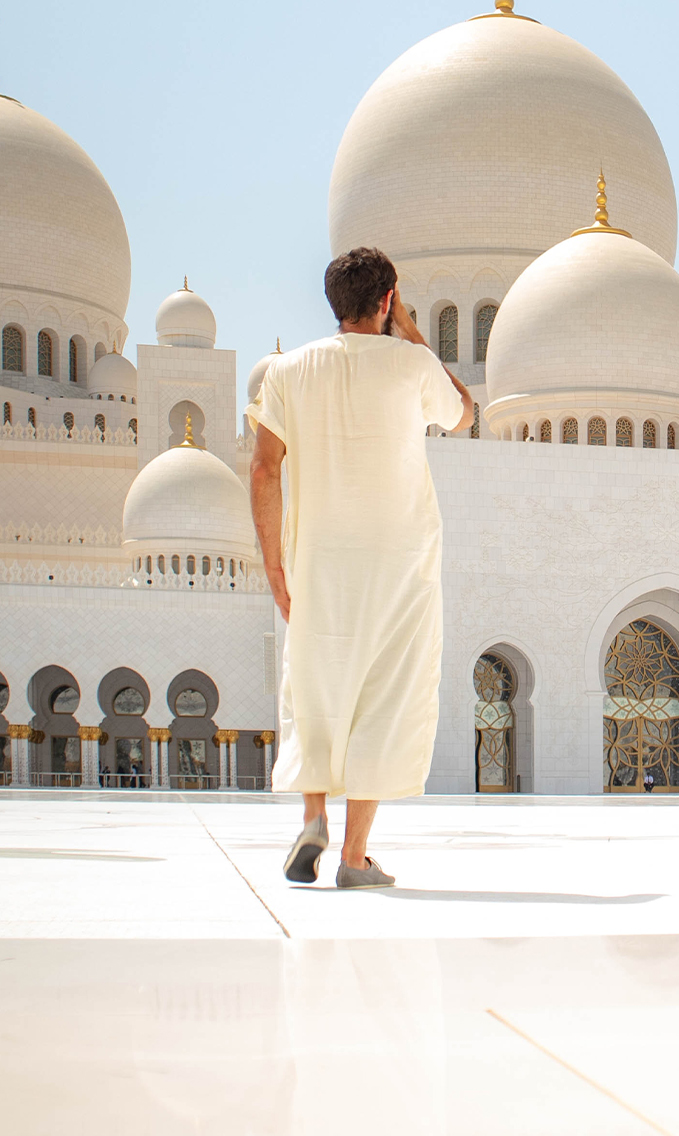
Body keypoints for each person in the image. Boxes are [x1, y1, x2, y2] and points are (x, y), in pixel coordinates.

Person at [247, 246, 473, 888]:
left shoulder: (288, 372)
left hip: (316, 561)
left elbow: (265, 468)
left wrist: (274, 568)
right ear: (386, 300)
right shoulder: (411, 366)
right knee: (386, 694)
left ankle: (313, 815)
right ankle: (353, 857)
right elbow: (464, 414)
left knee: (316, 689)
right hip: (399, 563)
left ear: (333, 302)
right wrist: (414, 336)